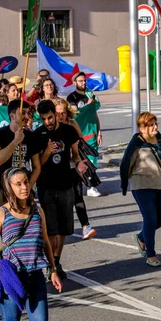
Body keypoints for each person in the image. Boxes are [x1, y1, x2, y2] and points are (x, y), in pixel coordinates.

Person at [0, 167, 62, 321]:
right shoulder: (2, 213)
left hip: (35, 274)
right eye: (18, 184)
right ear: (9, 188)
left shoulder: (37, 211)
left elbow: (45, 242)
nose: (24, 187)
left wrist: (53, 269)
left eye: (25, 182)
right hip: (11, 276)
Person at [35, 100, 87, 279]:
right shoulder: (38, 135)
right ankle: (50, 265)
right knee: (50, 229)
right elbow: (37, 165)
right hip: (46, 187)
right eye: (44, 119)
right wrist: (47, 152)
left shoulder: (68, 131)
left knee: (64, 228)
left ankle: (56, 260)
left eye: (50, 118)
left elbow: (75, 155)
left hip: (66, 184)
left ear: (55, 115)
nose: (48, 122)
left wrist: (79, 164)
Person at [120, 112, 161, 267]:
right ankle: (151, 254)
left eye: (156, 123)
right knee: (150, 219)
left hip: (160, 184)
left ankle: (142, 237)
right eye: (151, 124)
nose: (155, 127)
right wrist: (125, 183)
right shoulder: (137, 143)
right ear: (142, 128)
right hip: (142, 185)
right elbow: (126, 164)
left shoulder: (159, 139)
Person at [54, 99, 96, 240]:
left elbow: (79, 140)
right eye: (57, 113)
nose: (60, 116)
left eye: (63, 113)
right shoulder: (50, 128)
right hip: (57, 169)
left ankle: (85, 226)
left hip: (73, 165)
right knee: (61, 199)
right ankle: (60, 227)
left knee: (77, 196)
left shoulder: (71, 124)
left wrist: (78, 157)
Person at [66, 72, 102, 197]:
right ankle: (84, 183)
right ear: (74, 83)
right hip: (79, 134)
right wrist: (87, 104)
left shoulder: (90, 94)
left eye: (84, 80)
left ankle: (91, 186)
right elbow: (75, 113)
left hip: (92, 133)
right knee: (82, 160)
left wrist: (99, 132)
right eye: (80, 81)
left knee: (92, 160)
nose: (83, 83)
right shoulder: (72, 97)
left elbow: (94, 114)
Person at [0, 100, 42, 204]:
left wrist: (27, 187)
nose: (27, 117)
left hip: (22, 191)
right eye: (23, 113)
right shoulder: (0, 134)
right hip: (2, 191)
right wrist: (15, 141)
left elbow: (37, 167)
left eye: (28, 113)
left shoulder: (31, 137)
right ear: (12, 116)